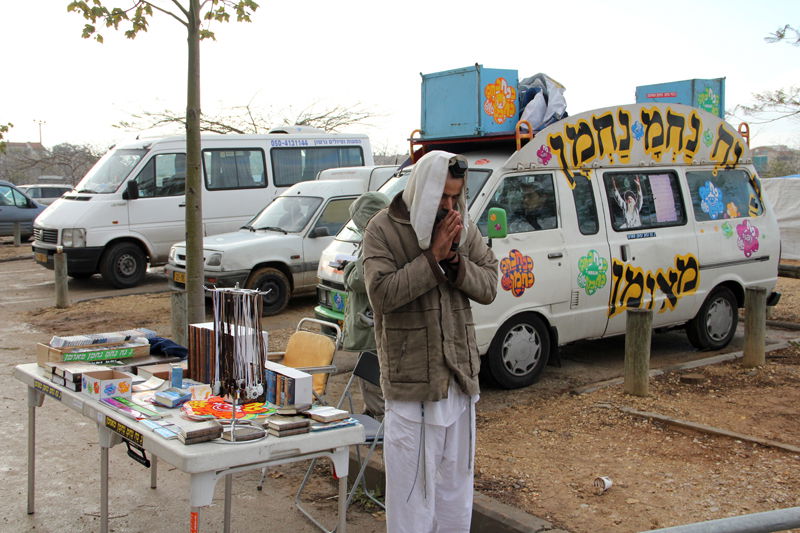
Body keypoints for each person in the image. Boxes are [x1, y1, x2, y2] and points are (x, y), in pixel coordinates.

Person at [362, 150, 499, 533]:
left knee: (456, 497)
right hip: (412, 390)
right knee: (411, 502)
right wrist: (433, 258)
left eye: (456, 197)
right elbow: (381, 295)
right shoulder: (382, 229)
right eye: (442, 197)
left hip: (460, 383)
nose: (450, 207)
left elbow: (490, 284)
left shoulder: (462, 226)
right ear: (423, 189)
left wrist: (455, 263)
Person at [341, 191, 390, 419]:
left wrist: (348, 270)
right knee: (370, 380)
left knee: (374, 383)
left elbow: (358, 279)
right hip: (372, 323)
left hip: (374, 327)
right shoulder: (384, 235)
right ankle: (373, 416)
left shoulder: (377, 239)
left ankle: (378, 422)